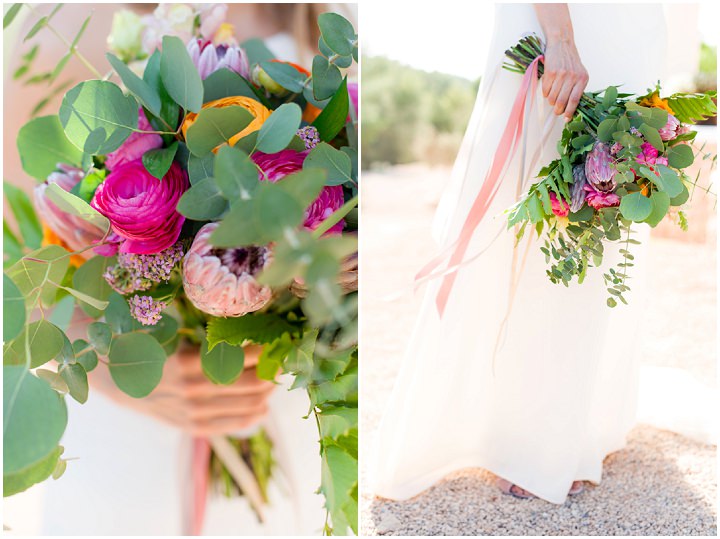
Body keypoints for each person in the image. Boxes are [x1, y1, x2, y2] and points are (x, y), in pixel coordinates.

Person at [3, 3, 355, 535]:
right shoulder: (62, 21)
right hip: (136, 417)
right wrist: (115, 374)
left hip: (284, 395)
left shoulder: (320, 15)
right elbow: (17, 259)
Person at [371, 3, 665, 504]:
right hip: (562, 16)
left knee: (608, 205)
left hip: (630, 20)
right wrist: (562, 35)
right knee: (529, 201)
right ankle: (517, 432)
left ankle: (572, 424)